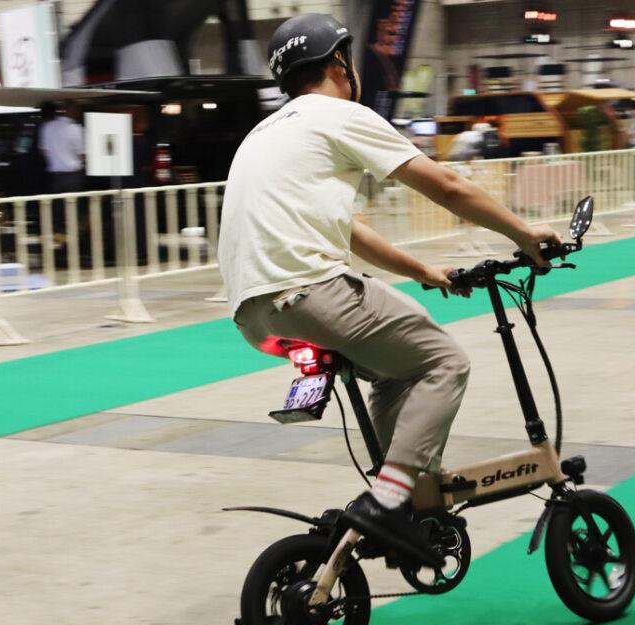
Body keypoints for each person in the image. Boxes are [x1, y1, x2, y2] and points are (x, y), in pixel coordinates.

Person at [218, 14, 562, 568]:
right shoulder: (338, 114)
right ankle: (388, 504)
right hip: (310, 291)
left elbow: (347, 231)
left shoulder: (267, 132)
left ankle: (403, 504)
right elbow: (446, 185)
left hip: (256, 314)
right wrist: (524, 234)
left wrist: (422, 270)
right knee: (445, 362)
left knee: (396, 373)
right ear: (338, 63)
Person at [38, 102, 85, 194]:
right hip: (73, 176)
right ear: (75, 112)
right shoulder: (76, 128)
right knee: (72, 202)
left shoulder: (47, 127)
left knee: (56, 202)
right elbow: (82, 155)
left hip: (54, 177)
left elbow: (44, 151)